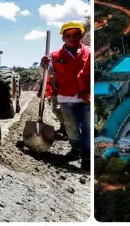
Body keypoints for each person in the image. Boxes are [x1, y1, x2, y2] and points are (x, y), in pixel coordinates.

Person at [40, 21, 91, 167]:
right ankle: (75, 150)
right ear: (63, 38)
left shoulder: (89, 52)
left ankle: (87, 158)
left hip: (85, 98)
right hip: (65, 98)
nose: (72, 38)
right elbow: (45, 75)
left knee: (87, 128)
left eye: (75, 34)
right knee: (71, 127)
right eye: (68, 35)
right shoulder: (54, 56)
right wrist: (43, 65)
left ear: (81, 35)